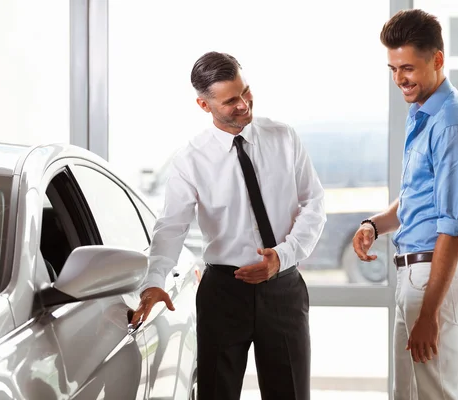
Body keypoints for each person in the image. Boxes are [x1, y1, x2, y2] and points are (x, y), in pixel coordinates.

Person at [130, 51, 326, 400]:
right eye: (230, 100)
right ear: (204, 106)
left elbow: (314, 203)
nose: (243, 105)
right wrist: (154, 281)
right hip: (223, 294)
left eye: (245, 91)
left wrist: (282, 256)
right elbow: (171, 226)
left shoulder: (284, 138)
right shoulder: (191, 159)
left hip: (282, 289)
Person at [352, 9, 458, 399]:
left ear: (438, 60)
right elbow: (418, 197)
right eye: (393, 69)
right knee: (407, 395)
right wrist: (375, 225)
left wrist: (429, 314)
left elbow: (453, 225)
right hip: (413, 276)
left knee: (437, 395)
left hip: (434, 281)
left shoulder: (452, 123)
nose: (400, 79)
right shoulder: (423, 113)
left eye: (408, 68)